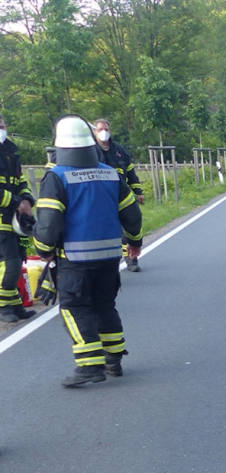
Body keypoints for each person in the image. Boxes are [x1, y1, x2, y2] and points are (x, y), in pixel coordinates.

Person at [33, 115, 143, 387]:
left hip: (75, 260)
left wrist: (43, 249)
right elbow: (132, 215)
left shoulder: (56, 177)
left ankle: (89, 365)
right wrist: (135, 242)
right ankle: (114, 359)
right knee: (105, 304)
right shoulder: (110, 174)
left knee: (74, 308)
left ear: (59, 148)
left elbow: (48, 224)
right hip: (109, 258)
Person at [93, 118, 144, 272]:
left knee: (128, 225)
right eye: (100, 129)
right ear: (94, 132)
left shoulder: (119, 151)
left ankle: (131, 258)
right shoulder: (90, 152)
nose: (104, 132)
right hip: (100, 198)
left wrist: (138, 192)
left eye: (106, 129)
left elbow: (131, 173)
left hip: (121, 195)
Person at [0, 114, 36, 323]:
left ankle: (15, 305)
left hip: (14, 220)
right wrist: (17, 202)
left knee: (17, 261)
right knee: (10, 264)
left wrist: (27, 199)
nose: (1, 129)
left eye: (2, 125)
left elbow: (20, 179)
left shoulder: (11, 150)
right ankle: (4, 307)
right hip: (2, 220)